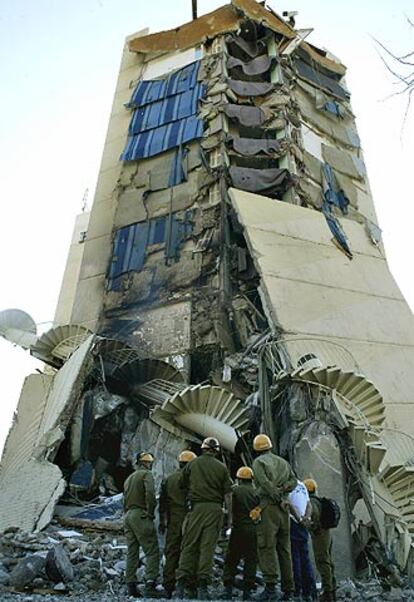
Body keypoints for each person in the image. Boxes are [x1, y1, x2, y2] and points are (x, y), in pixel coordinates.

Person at [175, 437, 233, 600]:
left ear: (203, 449)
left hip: (196, 509)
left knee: (189, 546)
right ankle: (202, 588)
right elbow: (228, 494)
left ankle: (181, 586)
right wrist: (230, 519)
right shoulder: (221, 467)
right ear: (216, 451)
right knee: (207, 548)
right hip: (215, 510)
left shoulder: (192, 464)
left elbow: (181, 483)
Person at [252, 434, 297, 602]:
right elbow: (294, 480)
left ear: (256, 449)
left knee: (266, 546)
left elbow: (263, 483)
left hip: (268, 507)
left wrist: (275, 494)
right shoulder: (283, 462)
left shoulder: (258, 463)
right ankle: (289, 590)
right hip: (283, 509)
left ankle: (270, 588)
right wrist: (284, 489)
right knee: (284, 549)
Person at [159, 450, 197, 598]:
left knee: (172, 551)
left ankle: (168, 586)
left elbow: (162, 503)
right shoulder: (193, 480)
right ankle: (190, 584)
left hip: (173, 519)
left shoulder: (169, 479)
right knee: (190, 550)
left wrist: (162, 522)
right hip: (190, 519)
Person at [123, 451, 160, 598]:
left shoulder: (129, 478)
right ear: (144, 463)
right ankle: (150, 583)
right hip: (140, 514)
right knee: (152, 551)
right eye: (148, 461)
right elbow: (150, 494)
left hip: (128, 515)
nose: (150, 463)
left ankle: (131, 585)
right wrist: (150, 512)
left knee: (132, 551)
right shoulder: (147, 475)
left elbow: (124, 500)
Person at [222, 466, 259, 601]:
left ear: (238, 479)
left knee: (232, 558)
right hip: (252, 530)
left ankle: (228, 589)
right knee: (251, 559)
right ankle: (247, 592)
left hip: (237, 529)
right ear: (251, 479)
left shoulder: (234, 491)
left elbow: (228, 507)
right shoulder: (256, 492)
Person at [303, 479, 337, 602]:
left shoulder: (311, 502)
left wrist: (312, 527)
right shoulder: (318, 500)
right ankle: (332, 590)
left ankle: (327, 593)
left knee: (322, 562)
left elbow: (315, 515)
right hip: (327, 533)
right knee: (328, 561)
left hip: (320, 535)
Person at [287, 480, 316, 601]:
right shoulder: (302, 485)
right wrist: (307, 519)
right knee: (305, 559)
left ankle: (297, 590)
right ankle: (309, 591)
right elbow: (309, 505)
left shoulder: (287, 485)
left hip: (294, 523)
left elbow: (289, 505)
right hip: (304, 525)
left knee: (296, 559)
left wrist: (299, 519)